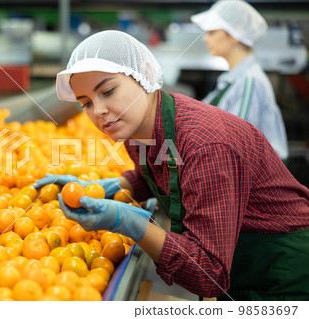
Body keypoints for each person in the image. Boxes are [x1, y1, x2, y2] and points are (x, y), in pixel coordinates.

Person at [33, 30, 309, 301]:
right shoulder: (137, 129)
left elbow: (209, 274)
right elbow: (157, 174)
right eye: (86, 103)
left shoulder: (206, 144)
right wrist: (105, 188)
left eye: (108, 90)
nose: (99, 111)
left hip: (285, 277)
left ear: (145, 76)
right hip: (241, 272)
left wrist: (130, 223)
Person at [191, 0, 289, 161]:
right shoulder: (231, 81)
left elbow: (234, 147)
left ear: (236, 34)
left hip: (255, 184)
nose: (205, 39)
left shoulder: (249, 82)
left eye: (212, 32)